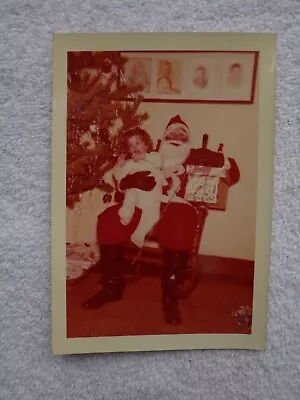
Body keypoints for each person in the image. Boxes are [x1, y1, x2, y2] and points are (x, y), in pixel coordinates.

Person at [82, 115, 240, 325]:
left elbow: (233, 175)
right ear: (163, 138)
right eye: (171, 134)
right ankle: (112, 287)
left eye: (180, 134)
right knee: (109, 219)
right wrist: (129, 181)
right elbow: (122, 178)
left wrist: (222, 160)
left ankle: (169, 295)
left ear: (187, 140)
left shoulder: (195, 156)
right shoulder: (150, 156)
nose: (175, 137)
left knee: (177, 225)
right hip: (144, 202)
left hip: (180, 205)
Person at [106, 128, 167, 248]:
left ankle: (138, 235)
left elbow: (159, 163)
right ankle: (126, 213)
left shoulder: (154, 157)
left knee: (153, 215)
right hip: (135, 193)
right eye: (130, 145)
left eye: (137, 143)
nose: (134, 147)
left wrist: (143, 156)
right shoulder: (130, 164)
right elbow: (119, 177)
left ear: (147, 144)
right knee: (130, 194)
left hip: (152, 196)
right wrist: (119, 165)